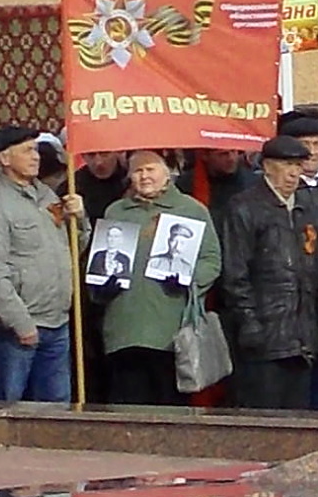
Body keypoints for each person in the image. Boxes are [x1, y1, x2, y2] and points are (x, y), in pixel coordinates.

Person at [215, 136, 318, 407]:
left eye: (298, 165)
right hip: (265, 333)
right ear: (267, 166)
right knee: (264, 415)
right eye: (286, 165)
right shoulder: (245, 207)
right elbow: (235, 272)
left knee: (299, 415)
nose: (293, 173)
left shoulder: (306, 208)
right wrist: (249, 322)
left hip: (303, 335)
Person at [86, 152, 219, 403]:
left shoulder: (191, 210)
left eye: (151, 169)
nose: (144, 176)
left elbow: (211, 259)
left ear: (167, 173)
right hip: (123, 329)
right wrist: (101, 288)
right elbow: (100, 263)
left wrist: (188, 280)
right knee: (128, 402)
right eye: (138, 171)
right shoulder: (117, 211)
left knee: (169, 405)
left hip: (170, 328)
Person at [0, 133, 76, 406]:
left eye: (36, 151)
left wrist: (79, 219)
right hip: (19, 327)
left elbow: (74, 247)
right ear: (5, 158)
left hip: (58, 321)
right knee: (11, 406)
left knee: (56, 407)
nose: (35, 157)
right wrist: (20, 323)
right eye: (27, 151)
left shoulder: (47, 196)